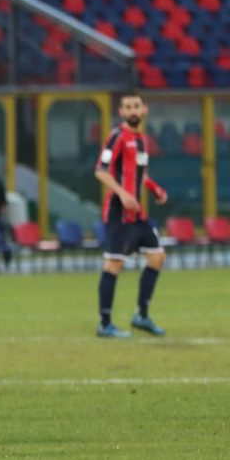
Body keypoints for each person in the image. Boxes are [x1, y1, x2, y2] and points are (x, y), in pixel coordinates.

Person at [94, 92, 168, 338]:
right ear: (121, 112)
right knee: (114, 264)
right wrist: (123, 194)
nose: (133, 110)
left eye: (136, 106)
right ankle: (105, 323)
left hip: (137, 214)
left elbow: (140, 174)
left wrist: (155, 189)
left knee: (157, 257)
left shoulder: (142, 140)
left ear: (144, 109)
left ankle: (142, 316)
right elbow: (101, 171)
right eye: (128, 107)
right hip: (118, 212)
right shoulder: (116, 136)